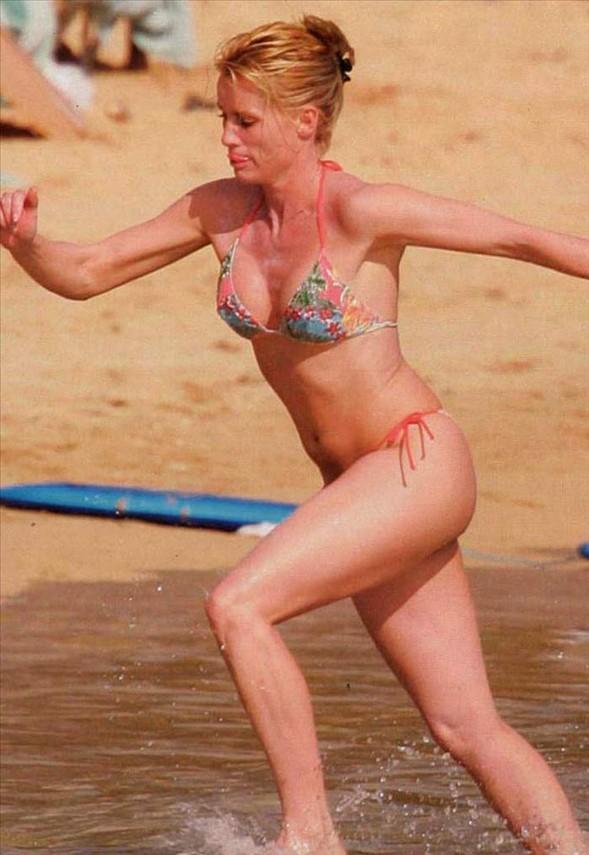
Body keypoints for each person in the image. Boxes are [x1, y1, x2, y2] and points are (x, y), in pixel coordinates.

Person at [1, 15, 587, 855]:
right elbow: (88, 272)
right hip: (359, 489)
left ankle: (308, 835)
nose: (226, 137)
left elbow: (520, 237)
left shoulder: (361, 210)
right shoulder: (220, 210)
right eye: (223, 116)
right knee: (464, 724)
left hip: (414, 462)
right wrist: (27, 245)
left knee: (238, 605)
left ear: (305, 122)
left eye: (246, 121)